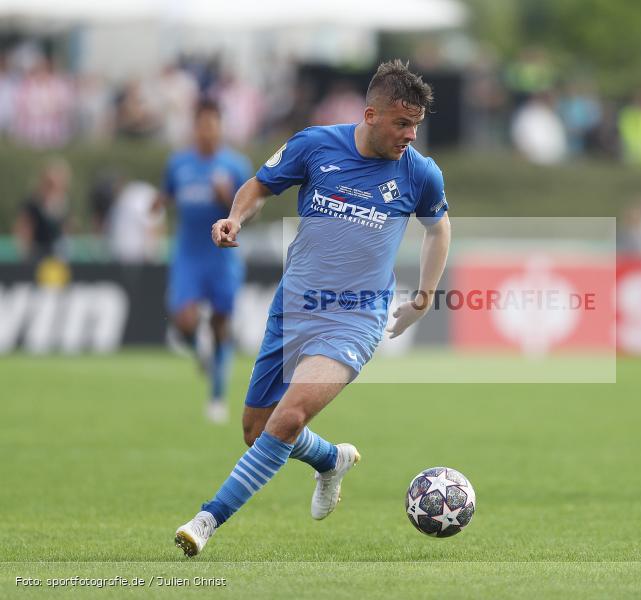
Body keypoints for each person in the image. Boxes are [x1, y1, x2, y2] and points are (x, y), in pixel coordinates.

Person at [174, 60, 451, 557]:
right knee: (256, 430)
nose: (410, 134)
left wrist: (424, 297)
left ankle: (206, 519)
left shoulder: (420, 173)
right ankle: (330, 460)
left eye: (416, 125)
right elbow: (259, 186)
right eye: (401, 123)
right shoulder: (314, 145)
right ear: (370, 114)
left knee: (288, 417)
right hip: (294, 307)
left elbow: (438, 227)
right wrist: (234, 217)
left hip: (356, 317)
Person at [160, 99, 253, 423]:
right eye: (203, 123)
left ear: (220, 126)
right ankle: (197, 347)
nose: (208, 129)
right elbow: (167, 195)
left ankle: (216, 396)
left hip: (222, 256)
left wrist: (226, 199)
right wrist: (154, 209)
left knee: (220, 324)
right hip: (188, 253)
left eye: (214, 122)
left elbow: (247, 211)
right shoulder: (178, 163)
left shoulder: (235, 165)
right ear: (195, 126)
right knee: (183, 320)